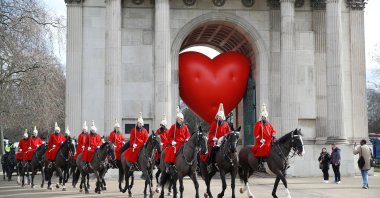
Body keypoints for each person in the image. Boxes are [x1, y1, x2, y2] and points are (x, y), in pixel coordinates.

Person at [202, 103, 231, 173]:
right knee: (212, 150)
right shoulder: (214, 123)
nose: (219, 118)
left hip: (223, 141)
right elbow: (210, 132)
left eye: (220, 117)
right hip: (215, 141)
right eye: (218, 116)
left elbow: (229, 132)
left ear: (223, 117)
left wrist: (225, 136)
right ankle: (211, 164)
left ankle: (231, 162)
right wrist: (213, 138)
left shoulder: (226, 124)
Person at [164, 106, 191, 172]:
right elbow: (169, 136)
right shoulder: (173, 127)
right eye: (180, 119)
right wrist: (172, 142)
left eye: (182, 119)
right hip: (176, 143)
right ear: (177, 119)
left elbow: (188, 135)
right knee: (170, 149)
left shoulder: (185, 127)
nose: (181, 120)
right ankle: (169, 164)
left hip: (184, 143)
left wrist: (187, 139)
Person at [252, 104, 276, 172]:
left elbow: (273, 130)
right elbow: (256, 133)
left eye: (265, 117)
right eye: (263, 117)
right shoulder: (258, 124)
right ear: (261, 117)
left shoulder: (269, 124)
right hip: (261, 141)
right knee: (265, 146)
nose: (264, 118)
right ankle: (261, 163)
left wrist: (273, 135)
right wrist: (260, 139)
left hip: (269, 140)